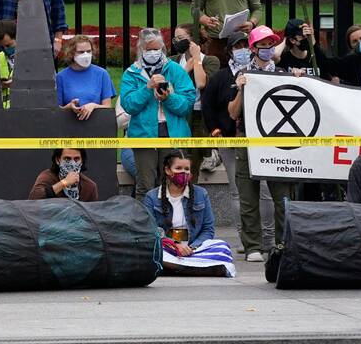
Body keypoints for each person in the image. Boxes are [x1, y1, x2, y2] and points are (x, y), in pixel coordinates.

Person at [201, 31, 293, 263]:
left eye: (271, 45)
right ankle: (252, 245)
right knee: (247, 196)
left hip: (276, 143)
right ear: (254, 48)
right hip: (246, 140)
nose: (267, 49)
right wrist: (241, 89)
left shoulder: (282, 74)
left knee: (280, 197)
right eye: (262, 45)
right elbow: (232, 113)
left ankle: (280, 244)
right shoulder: (241, 74)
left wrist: (298, 78)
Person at [119, 27, 196, 198]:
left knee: (173, 185)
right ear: (141, 50)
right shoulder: (131, 73)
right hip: (144, 137)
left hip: (174, 135)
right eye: (149, 49)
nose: (153, 53)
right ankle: (145, 225)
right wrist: (147, 88)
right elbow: (129, 105)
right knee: (145, 186)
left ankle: (171, 223)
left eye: (157, 49)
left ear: (163, 49)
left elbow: (187, 105)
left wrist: (169, 98)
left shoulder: (174, 70)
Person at [143, 150, 234, 277]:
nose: (183, 172)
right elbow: (151, 230)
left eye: (187, 169)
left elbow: (208, 229)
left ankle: (175, 267)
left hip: (194, 249)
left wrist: (193, 248)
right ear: (168, 170)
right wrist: (175, 245)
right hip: (167, 248)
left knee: (222, 247)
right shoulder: (152, 197)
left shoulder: (201, 194)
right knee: (147, 251)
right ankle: (193, 268)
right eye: (178, 168)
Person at [171, 24, 222, 173]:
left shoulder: (211, 61)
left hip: (201, 115)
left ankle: (210, 154)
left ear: (193, 41)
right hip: (180, 114)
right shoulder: (172, 61)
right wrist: (185, 69)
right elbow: (169, 86)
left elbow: (201, 83)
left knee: (193, 163)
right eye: (175, 38)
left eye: (181, 38)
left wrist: (196, 58)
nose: (176, 42)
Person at [55, 35, 114, 120]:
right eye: (81, 52)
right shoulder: (61, 77)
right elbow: (56, 111)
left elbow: (107, 107)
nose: (86, 55)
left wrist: (93, 106)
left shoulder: (102, 74)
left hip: (97, 125)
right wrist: (69, 107)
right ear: (72, 53)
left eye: (89, 51)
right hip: (69, 126)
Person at [28, 148, 99, 201]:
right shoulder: (48, 177)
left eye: (76, 159)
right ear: (58, 160)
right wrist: (64, 182)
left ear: (82, 161)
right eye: (67, 159)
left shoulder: (90, 186)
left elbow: (92, 215)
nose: (72, 163)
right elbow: (33, 198)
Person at [0, 20, 17, 109]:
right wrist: (1, 85)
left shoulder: (31, 59)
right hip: (3, 112)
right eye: (2, 46)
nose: (5, 49)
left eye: (8, 45)